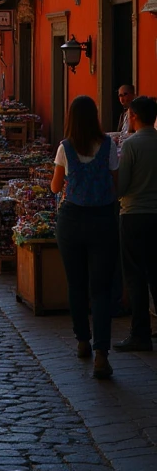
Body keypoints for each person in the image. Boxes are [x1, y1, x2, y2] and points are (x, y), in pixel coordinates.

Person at [51, 95, 118, 379]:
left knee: (76, 284)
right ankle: (102, 353)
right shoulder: (109, 145)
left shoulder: (65, 148)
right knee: (101, 289)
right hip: (103, 219)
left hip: (72, 220)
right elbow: (115, 184)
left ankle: (82, 340)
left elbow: (55, 187)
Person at [115, 95, 157, 352]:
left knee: (136, 277)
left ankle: (140, 333)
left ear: (135, 116)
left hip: (134, 216)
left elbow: (122, 187)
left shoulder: (131, 145)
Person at [116, 84, 136, 149]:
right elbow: (119, 133)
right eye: (120, 95)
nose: (122, 99)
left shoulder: (138, 115)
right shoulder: (123, 115)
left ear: (133, 95)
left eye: (125, 94)